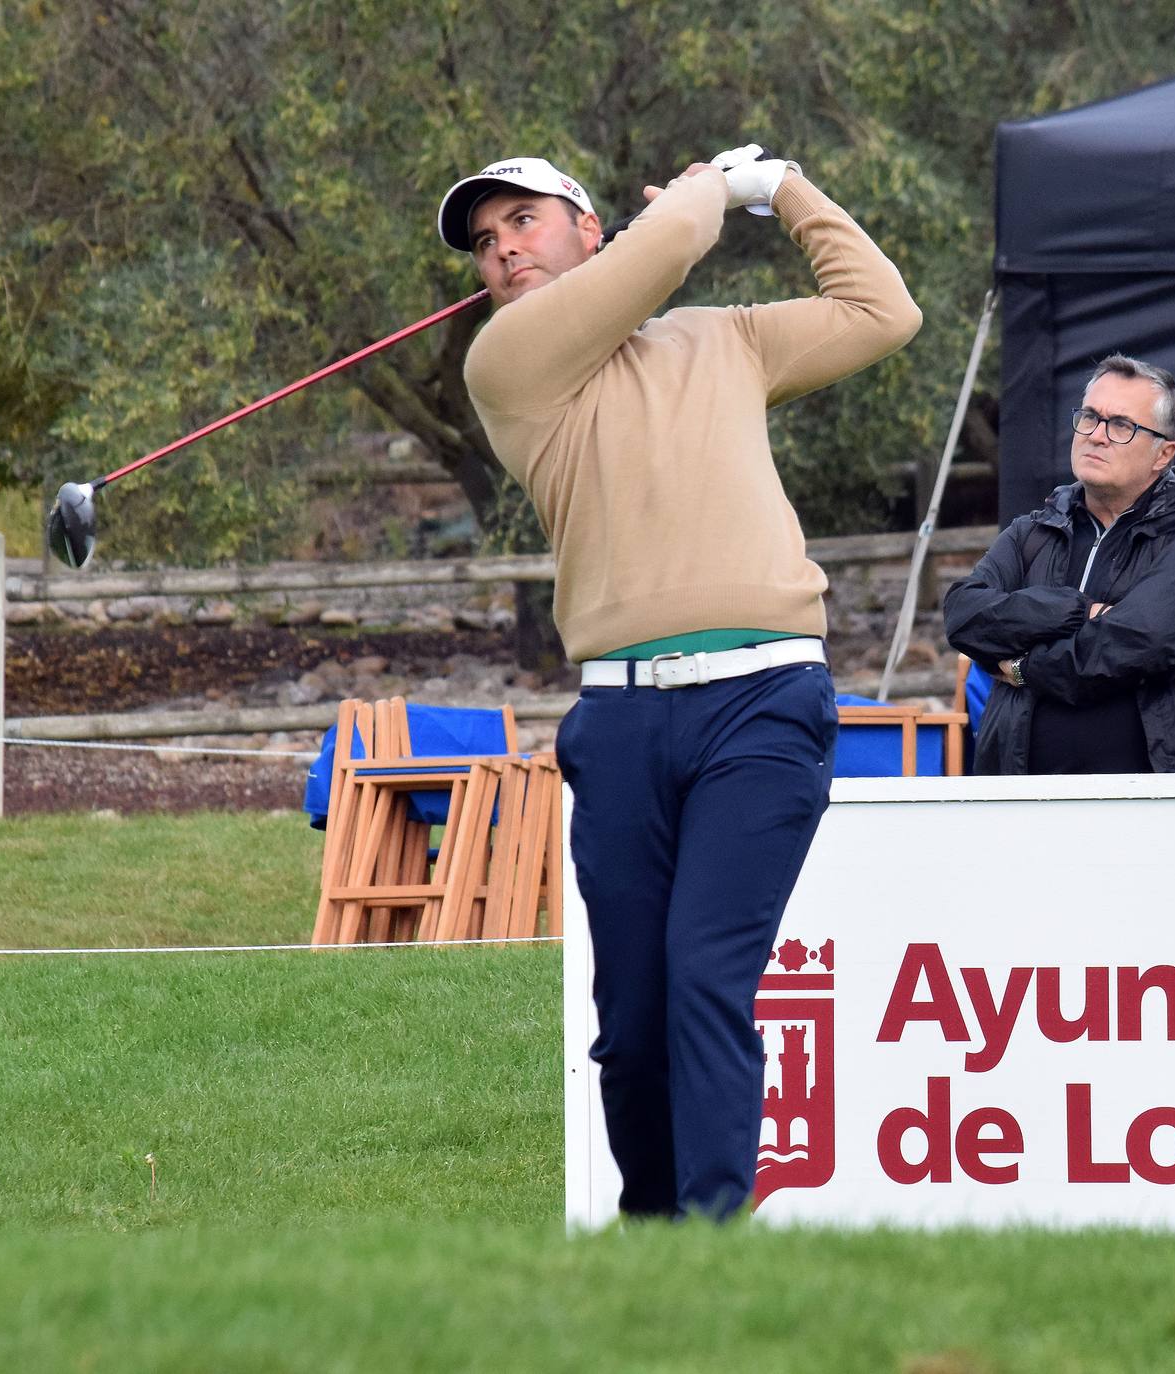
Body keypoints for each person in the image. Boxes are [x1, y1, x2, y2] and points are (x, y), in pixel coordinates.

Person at [439, 147, 920, 1219]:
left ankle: (707, 1237)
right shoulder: (508, 364)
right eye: (484, 240)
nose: (502, 246)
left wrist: (788, 186)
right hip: (619, 718)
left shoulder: (726, 338)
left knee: (707, 975)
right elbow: (658, 258)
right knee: (634, 1020)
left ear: (587, 227)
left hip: (762, 699)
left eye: (523, 219)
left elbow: (883, 312)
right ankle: (654, 1236)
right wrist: (712, 188)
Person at [944, 355, 1175, 774]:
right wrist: (1078, 612)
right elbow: (964, 615)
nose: (1097, 436)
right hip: (1017, 804)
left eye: (1121, 426)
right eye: (1089, 417)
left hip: (1148, 809)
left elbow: (1135, 646)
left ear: (1164, 453)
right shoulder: (1034, 531)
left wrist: (1027, 667)